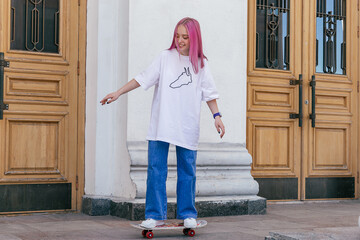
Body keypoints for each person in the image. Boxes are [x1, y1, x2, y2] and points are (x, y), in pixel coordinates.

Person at [100, 17, 225, 228]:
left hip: (186, 124)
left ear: (194, 38)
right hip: (161, 124)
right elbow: (142, 78)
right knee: (156, 170)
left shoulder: (201, 64)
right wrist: (119, 92)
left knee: (187, 171)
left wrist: (217, 116)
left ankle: (187, 214)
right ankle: (155, 215)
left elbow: (210, 94)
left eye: (185, 37)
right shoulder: (165, 58)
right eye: (177, 36)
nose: (180, 40)